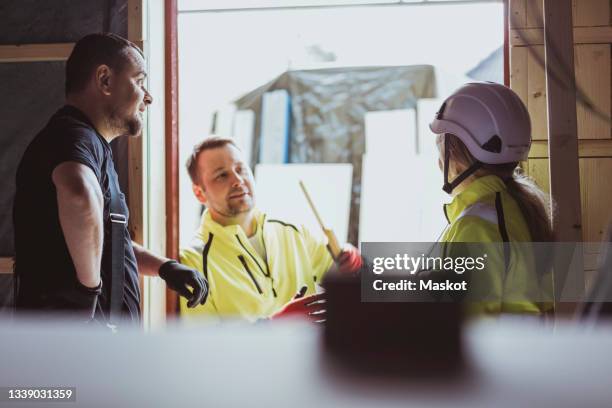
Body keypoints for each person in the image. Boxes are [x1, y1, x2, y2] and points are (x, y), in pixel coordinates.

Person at [13, 33, 207, 326]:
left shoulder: (89, 144)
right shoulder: (73, 136)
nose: (148, 97)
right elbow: (78, 193)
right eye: (139, 81)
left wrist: (165, 268)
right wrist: (88, 291)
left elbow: (106, 242)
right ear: (104, 80)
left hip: (90, 348)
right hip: (71, 347)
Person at [180, 137, 362, 322]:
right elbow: (203, 345)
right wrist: (273, 325)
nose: (237, 180)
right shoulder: (193, 262)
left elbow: (352, 282)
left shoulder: (293, 231)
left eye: (241, 169)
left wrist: (353, 262)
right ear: (199, 193)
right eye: (222, 175)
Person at [428, 81, 553, 315]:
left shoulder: (475, 226)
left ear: (456, 158)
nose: (438, 163)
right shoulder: (519, 207)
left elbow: (465, 325)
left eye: (441, 152)